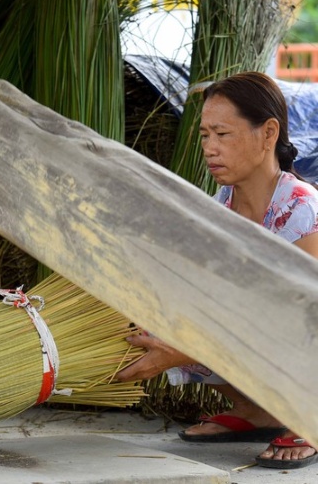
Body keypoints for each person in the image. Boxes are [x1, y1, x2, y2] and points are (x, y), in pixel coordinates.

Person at [116, 71, 318, 470]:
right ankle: (257, 411)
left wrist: (182, 349)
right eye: (205, 135)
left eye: (223, 135)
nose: (210, 148)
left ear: (268, 133)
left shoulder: (302, 209)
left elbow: (296, 323)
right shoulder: (222, 202)